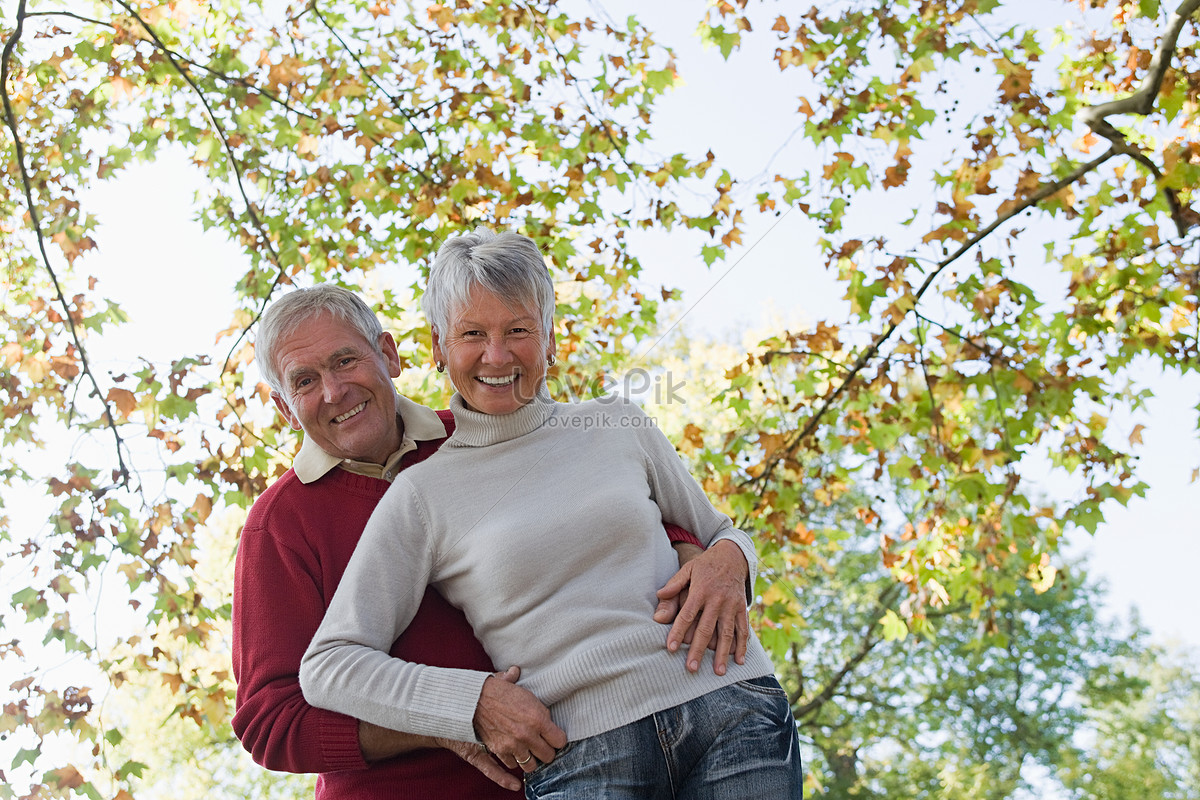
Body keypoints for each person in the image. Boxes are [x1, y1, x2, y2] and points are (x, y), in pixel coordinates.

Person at [299, 229, 804, 798]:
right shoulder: (420, 495)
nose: (497, 355)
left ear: (551, 340)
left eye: (518, 330)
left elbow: (719, 535)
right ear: (438, 346)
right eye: (472, 334)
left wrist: (732, 559)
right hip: (584, 754)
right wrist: (471, 702)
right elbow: (330, 666)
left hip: (731, 708)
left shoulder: (618, 423)